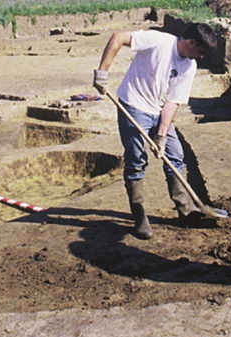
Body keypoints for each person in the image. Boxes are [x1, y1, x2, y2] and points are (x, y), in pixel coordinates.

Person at [93, 22, 218, 239]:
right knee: (136, 160)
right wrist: (102, 72)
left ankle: (186, 210)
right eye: (201, 51)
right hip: (134, 105)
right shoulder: (158, 41)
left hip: (159, 110)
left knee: (175, 155)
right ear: (190, 42)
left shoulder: (189, 66)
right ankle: (139, 214)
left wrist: (161, 135)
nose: (202, 57)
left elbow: (173, 101)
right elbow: (118, 36)